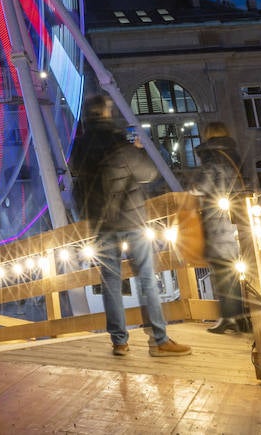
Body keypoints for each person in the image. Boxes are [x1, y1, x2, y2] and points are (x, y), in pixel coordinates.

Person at [69, 95, 191, 357]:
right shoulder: (117, 143)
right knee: (147, 278)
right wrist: (138, 149)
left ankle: (119, 341)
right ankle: (159, 339)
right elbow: (149, 173)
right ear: (105, 113)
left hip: (101, 223)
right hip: (131, 219)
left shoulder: (79, 148)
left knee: (111, 283)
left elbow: (76, 186)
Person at [193, 121, 249, 333]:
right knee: (233, 271)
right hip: (236, 219)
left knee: (222, 271)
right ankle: (239, 317)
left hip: (218, 221)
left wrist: (192, 190)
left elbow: (202, 186)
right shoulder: (234, 155)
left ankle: (229, 318)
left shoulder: (212, 157)